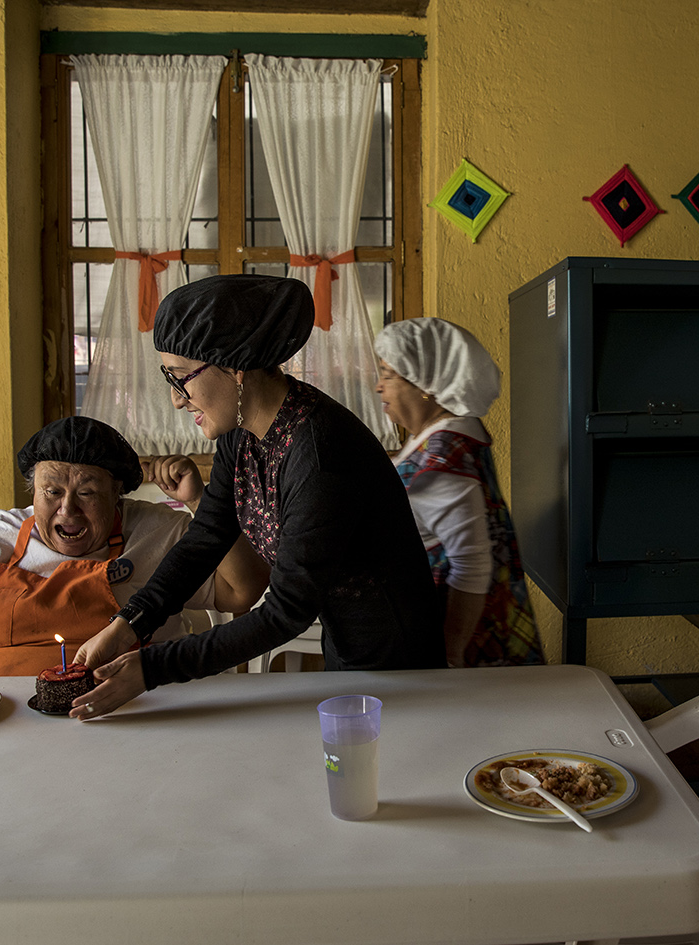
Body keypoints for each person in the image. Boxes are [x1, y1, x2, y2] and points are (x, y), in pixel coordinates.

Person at [73, 274, 443, 716]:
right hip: (348, 650)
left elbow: (286, 610)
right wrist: (129, 623)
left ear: (233, 367)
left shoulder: (322, 453)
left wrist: (152, 668)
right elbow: (206, 536)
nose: (176, 400)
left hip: (398, 663)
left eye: (181, 378)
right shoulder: (242, 434)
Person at [0, 417, 270, 677]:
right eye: (52, 491)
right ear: (32, 493)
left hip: (125, 718)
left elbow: (242, 590)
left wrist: (202, 502)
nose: (68, 509)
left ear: (117, 496)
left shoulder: (159, 532)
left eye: (87, 493)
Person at [372, 317, 544, 667]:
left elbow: (470, 564)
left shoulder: (445, 454)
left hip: (461, 640)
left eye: (388, 374)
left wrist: (451, 652)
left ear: (426, 384)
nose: (379, 386)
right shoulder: (441, 435)